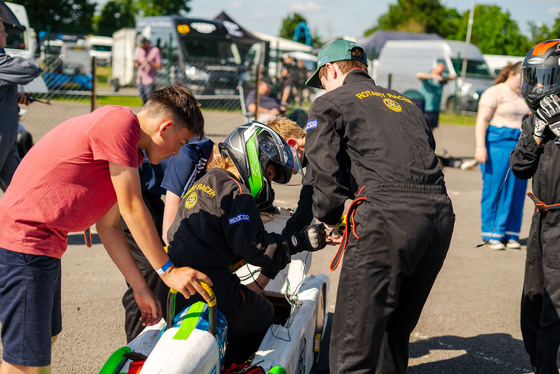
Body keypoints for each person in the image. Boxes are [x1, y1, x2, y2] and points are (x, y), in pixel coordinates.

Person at [0, 85, 214, 374]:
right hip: (24, 242)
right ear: (165, 128)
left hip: (44, 245)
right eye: (181, 141)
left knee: (44, 341)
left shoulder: (130, 150)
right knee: (24, 362)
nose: (177, 153)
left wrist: (140, 287)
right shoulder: (120, 124)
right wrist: (168, 271)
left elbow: (109, 225)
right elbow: (132, 207)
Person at [304, 39, 455, 373]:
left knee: (353, 345)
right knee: (392, 335)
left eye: (322, 79)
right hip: (439, 217)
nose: (322, 88)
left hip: (386, 218)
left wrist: (330, 217)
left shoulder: (330, 102)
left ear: (330, 69)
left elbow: (322, 171)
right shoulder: (407, 103)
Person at [158, 122, 327, 366]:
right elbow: (258, 250)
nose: (268, 183)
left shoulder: (210, 179)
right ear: (255, 156)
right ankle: (233, 365)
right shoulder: (237, 192)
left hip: (171, 289)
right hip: (208, 287)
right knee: (264, 312)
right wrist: (299, 240)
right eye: (269, 174)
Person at [510, 39, 560, 374]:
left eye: (545, 77)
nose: (537, 85)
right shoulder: (535, 118)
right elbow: (519, 167)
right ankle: (537, 363)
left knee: (554, 307)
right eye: (534, 77)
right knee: (532, 300)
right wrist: (538, 135)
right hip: (541, 218)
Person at [473, 61, 529, 250]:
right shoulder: (495, 92)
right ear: (511, 74)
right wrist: (480, 146)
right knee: (495, 189)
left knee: (517, 190)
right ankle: (491, 233)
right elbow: (482, 120)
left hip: (519, 146)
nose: (524, 83)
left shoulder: (524, 94)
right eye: (521, 78)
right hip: (497, 145)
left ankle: (510, 233)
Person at [0, 18, 41, 191]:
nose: (6, 33)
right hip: (2, 134)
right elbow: (31, 69)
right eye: (2, 31)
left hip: (8, 138)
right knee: (19, 191)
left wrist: (15, 95)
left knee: (20, 192)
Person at [416, 62, 457, 131]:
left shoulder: (442, 76)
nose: (439, 74)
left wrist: (444, 78)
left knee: (431, 129)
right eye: (437, 72)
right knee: (422, 128)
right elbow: (418, 75)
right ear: (434, 69)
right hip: (425, 106)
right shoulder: (428, 74)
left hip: (435, 108)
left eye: (440, 73)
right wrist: (433, 76)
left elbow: (454, 76)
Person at [135, 34, 162, 104]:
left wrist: (149, 62)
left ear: (146, 42)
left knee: (150, 102)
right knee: (143, 102)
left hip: (150, 80)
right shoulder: (140, 51)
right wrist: (136, 62)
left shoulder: (155, 50)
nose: (142, 47)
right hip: (140, 80)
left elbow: (160, 66)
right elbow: (139, 67)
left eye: (142, 45)